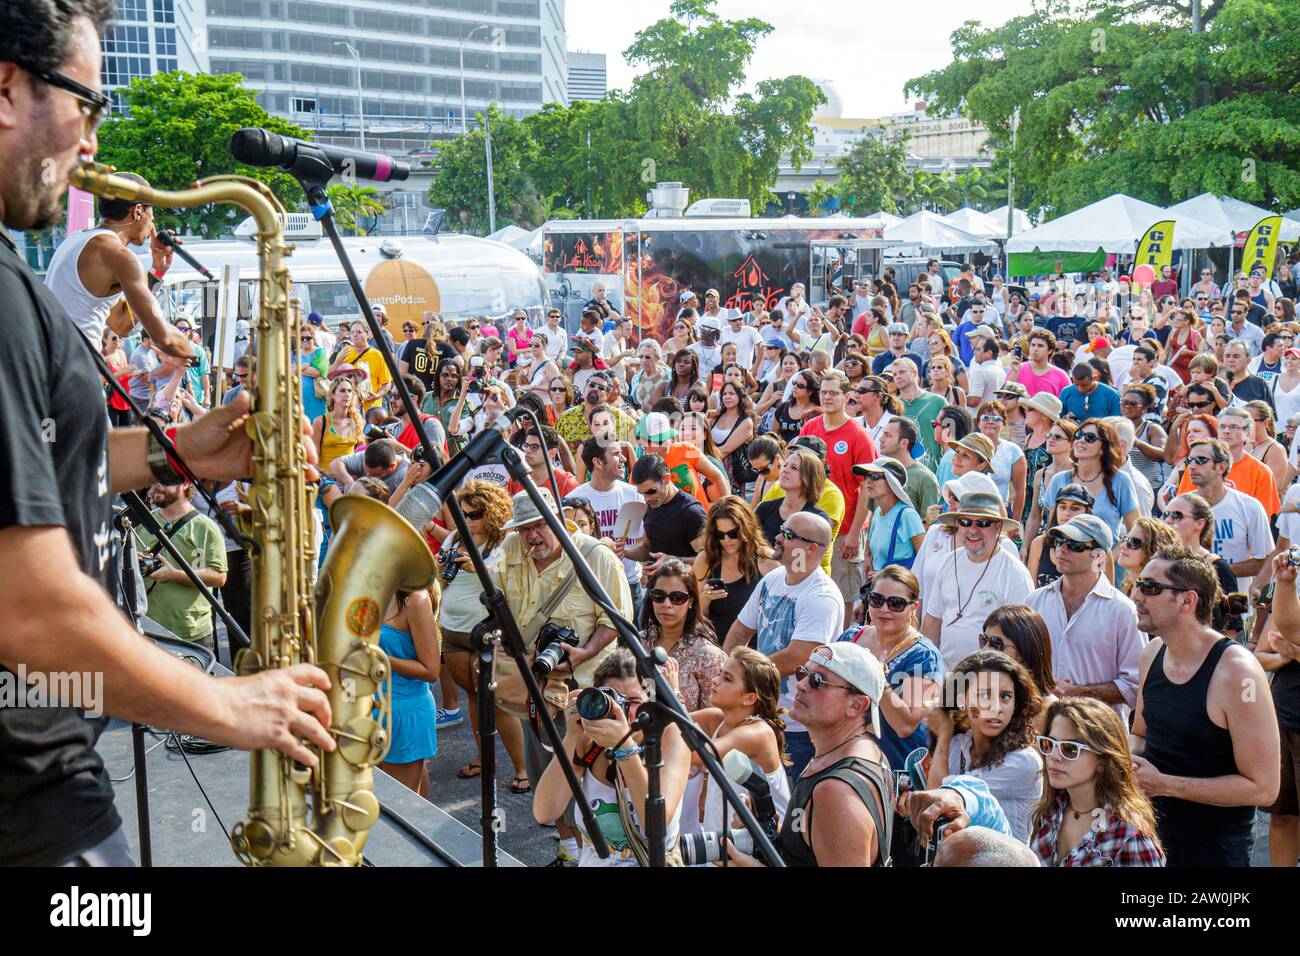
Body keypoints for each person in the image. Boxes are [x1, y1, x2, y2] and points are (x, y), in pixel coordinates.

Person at [0, 2, 334, 865]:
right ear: (8, 89)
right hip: (29, 806)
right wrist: (229, 705)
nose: (93, 148)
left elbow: (31, 469)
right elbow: (26, 601)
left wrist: (171, 450)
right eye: (89, 105)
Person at [494, 488, 634, 866]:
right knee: (545, 769)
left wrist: (582, 653)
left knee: (594, 777)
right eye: (523, 528)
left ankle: (607, 852)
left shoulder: (593, 556)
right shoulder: (510, 550)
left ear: (558, 518)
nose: (531, 536)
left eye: (539, 525)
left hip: (584, 689)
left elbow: (617, 620)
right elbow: (495, 599)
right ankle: (569, 847)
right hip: (534, 684)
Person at [1130, 546, 1280, 866]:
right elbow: (1142, 736)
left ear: (1188, 600)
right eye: (1138, 585)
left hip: (1213, 855)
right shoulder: (1152, 654)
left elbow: (1264, 788)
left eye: (1150, 588)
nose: (1136, 596)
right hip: (1150, 845)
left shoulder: (1239, 673)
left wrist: (1166, 785)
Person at [725, 642, 893, 867]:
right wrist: (770, 827)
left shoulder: (836, 791)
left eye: (817, 681)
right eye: (803, 673)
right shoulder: (852, 752)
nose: (801, 684)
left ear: (857, 705)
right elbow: (816, 842)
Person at [534, 648, 692, 867]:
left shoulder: (670, 736)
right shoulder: (589, 742)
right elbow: (545, 812)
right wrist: (572, 735)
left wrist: (624, 747)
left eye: (634, 700)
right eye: (613, 698)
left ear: (652, 701)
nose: (622, 710)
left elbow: (655, 825)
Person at [724, 512, 844, 780]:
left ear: (811, 548)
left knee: (786, 808)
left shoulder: (822, 596)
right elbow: (740, 630)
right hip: (757, 714)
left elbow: (798, 656)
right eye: (781, 530)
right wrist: (727, 671)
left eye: (788, 535)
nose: (777, 538)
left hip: (796, 726)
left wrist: (741, 678)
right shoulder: (772, 580)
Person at [434, 480, 531, 791]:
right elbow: (442, 581)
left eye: (475, 514)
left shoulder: (507, 542)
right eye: (463, 515)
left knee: (498, 702)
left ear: (492, 513)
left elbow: (510, 580)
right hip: (452, 630)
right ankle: (482, 758)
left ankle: (522, 768)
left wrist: (478, 568)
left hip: (487, 632)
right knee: (474, 697)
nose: (469, 521)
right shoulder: (452, 538)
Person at [43, 171, 194, 359]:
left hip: (56, 365)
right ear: (137, 211)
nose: (152, 226)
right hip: (74, 368)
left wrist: (157, 270)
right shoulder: (120, 257)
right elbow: (165, 338)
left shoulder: (76, 240)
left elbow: (122, 323)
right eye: (152, 217)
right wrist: (195, 354)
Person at [1026, 514, 1145, 721]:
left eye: (1074, 545)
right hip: (1041, 729)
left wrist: (1078, 692)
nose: (1062, 549)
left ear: (1098, 556)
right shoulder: (1034, 602)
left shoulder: (1122, 611)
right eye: (1059, 541)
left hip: (1098, 734)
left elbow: (1135, 685)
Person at [1030, 697, 1165, 866]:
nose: (1053, 756)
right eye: (1049, 744)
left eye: (1070, 748)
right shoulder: (1050, 811)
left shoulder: (1129, 837)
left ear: (1102, 760)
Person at [926, 650, 1045, 841]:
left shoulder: (1024, 762)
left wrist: (943, 735)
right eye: (984, 695)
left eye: (1005, 696)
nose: (996, 707)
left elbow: (936, 799)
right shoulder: (959, 744)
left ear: (1016, 704)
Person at [837, 565, 943, 770]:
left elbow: (906, 726)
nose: (884, 609)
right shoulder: (851, 637)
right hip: (846, 761)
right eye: (877, 600)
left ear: (914, 607)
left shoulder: (924, 656)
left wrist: (879, 679)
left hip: (895, 771)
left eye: (896, 603)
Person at [922, 490, 1034, 669]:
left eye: (982, 523)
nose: (973, 530)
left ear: (997, 527)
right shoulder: (948, 561)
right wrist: (928, 668)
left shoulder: (1014, 573)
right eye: (965, 522)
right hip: (945, 675)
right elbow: (933, 621)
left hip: (990, 679)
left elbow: (1023, 641)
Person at [690, 646, 792, 835]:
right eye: (720, 673)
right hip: (724, 845)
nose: (715, 680)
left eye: (727, 678)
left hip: (763, 850)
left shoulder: (757, 733)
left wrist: (673, 691)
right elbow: (669, 722)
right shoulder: (717, 720)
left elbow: (694, 755)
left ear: (749, 698)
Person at [132, 479, 228, 657]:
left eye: (163, 481)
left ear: (185, 485)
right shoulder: (140, 522)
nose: (155, 486)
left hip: (192, 632)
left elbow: (219, 577)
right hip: (149, 629)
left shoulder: (205, 527)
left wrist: (174, 575)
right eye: (153, 482)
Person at [1184, 437, 1274, 597]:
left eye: (1200, 460)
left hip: (1233, 605)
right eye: (1190, 460)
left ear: (1221, 467)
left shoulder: (1249, 507)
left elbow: (1265, 560)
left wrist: (1219, 569)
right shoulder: (1180, 506)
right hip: (1189, 603)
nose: (1192, 465)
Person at [639, 559, 727, 716]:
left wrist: (674, 693)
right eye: (659, 596)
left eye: (677, 598)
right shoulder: (637, 643)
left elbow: (714, 723)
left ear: (691, 601)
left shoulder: (708, 656)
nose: (667, 604)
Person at [570, 437, 646, 616]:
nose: (624, 459)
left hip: (629, 584)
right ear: (597, 462)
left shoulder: (634, 495)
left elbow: (644, 543)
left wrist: (626, 551)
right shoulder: (575, 500)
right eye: (616, 454)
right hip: (592, 586)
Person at [694, 496, 778, 642]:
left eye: (733, 534)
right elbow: (695, 615)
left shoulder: (766, 560)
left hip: (752, 651)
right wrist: (705, 599)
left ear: (746, 528)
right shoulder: (706, 560)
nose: (727, 540)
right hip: (715, 647)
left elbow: (780, 616)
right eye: (720, 535)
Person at [1042, 418, 1141, 540]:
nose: (1081, 440)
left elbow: (1135, 530)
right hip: (1064, 555)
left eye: (1090, 437)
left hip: (1107, 556)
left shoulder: (1120, 480)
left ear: (1103, 448)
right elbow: (1052, 528)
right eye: (1078, 435)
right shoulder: (1059, 479)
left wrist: (1109, 558)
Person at [979, 605, 1058, 730]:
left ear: (1025, 652)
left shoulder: (1050, 710)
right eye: (984, 640)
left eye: (996, 643)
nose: (984, 650)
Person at [754, 449, 833, 571]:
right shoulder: (765, 508)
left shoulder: (817, 518)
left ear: (809, 476)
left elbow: (807, 562)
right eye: (785, 465)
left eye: (794, 468)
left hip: (798, 583)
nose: (785, 470)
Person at [626, 453, 707, 563]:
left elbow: (709, 560)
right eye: (642, 493)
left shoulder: (690, 512)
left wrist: (673, 561)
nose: (647, 499)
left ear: (666, 479)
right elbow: (647, 549)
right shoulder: (651, 506)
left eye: (651, 491)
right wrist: (624, 552)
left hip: (686, 579)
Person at [856, 457, 925, 573]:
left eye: (874, 476)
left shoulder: (907, 515)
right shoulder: (877, 512)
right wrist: (868, 557)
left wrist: (884, 575)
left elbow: (924, 561)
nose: (868, 481)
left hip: (900, 589)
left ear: (892, 481)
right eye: (866, 476)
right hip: (879, 587)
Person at [876, 417, 940, 516]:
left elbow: (930, 525)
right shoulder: (878, 471)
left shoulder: (925, 478)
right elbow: (874, 515)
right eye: (883, 434)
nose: (881, 439)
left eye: (888, 435)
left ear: (904, 442)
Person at [890, 359, 948, 469]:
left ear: (914, 373)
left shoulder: (938, 401)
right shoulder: (892, 406)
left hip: (933, 469)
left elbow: (950, 438)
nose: (897, 376)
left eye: (902, 372)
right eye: (894, 374)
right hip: (902, 473)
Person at [1017, 329, 1071, 398]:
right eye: (1033, 345)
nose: (1035, 349)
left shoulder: (1061, 376)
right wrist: (1015, 372)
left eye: (1040, 346)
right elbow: (1004, 397)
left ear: (1050, 350)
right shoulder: (1018, 369)